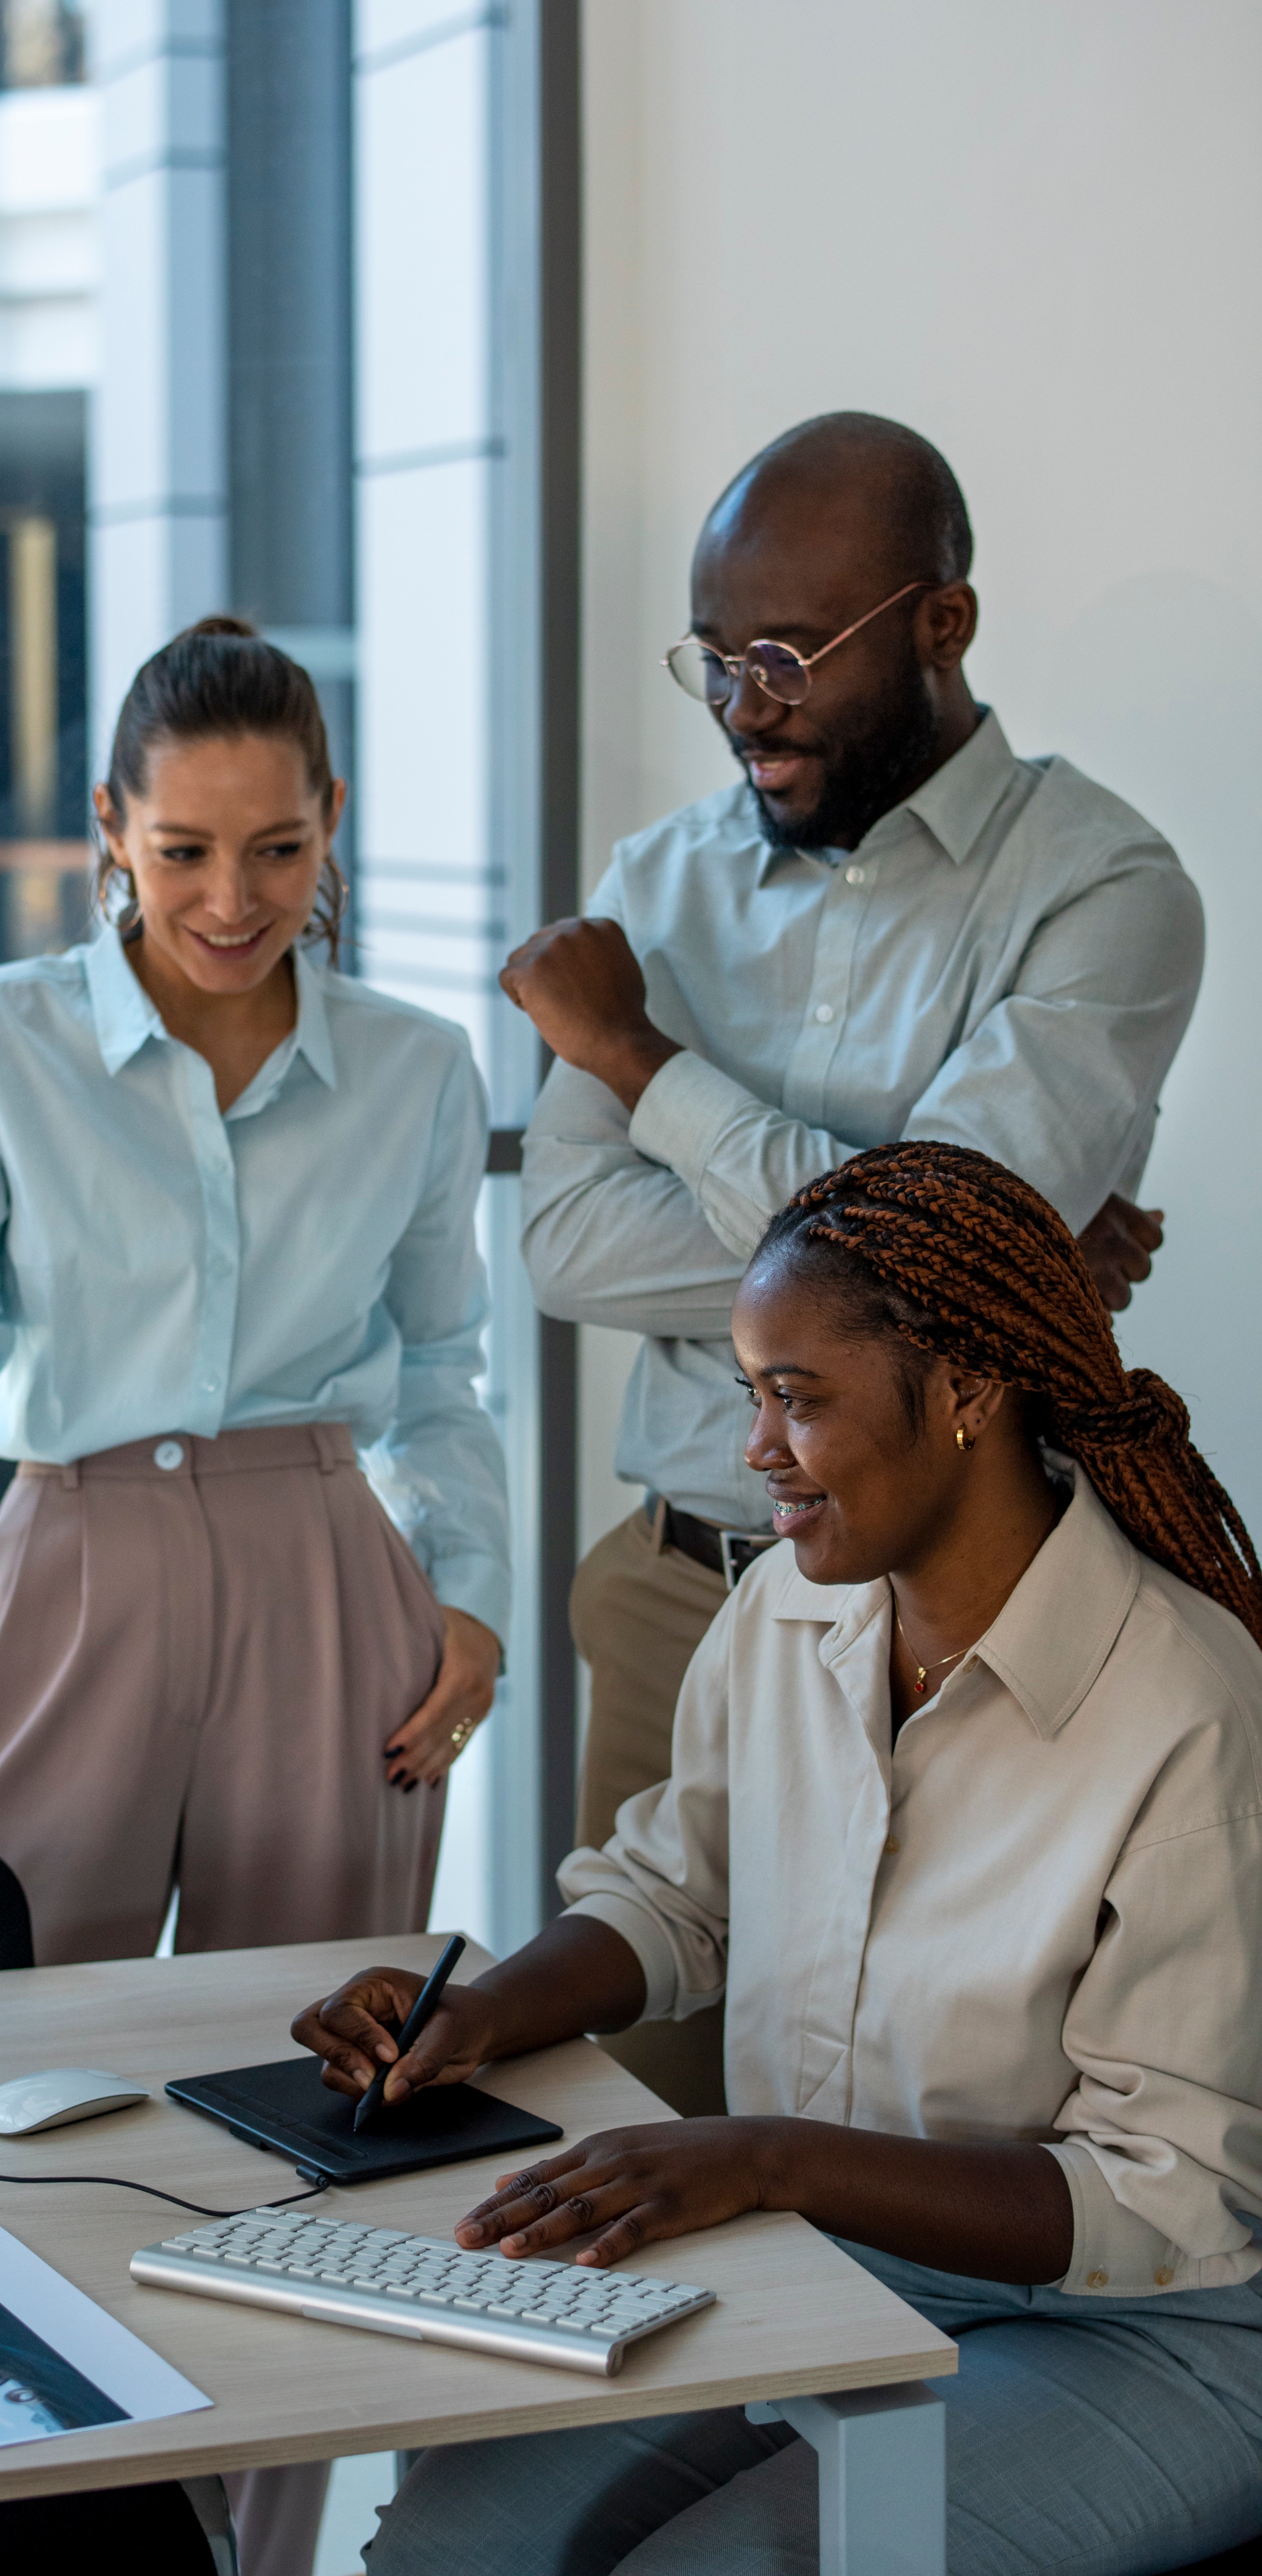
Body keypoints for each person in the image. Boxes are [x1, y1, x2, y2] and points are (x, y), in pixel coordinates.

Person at [0, 617, 510, 2576]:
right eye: (181, 851)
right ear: (107, 835)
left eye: (275, 850)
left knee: (315, 2103)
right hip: (76, 1558)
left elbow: (438, 1379)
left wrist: (470, 1605)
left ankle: (256, 2547)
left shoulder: (418, 1067)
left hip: (335, 1575)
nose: (230, 900)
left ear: (333, 828)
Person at [295, 1139, 1262, 2576]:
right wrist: (484, 2013)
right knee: (451, 2541)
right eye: (753, 1396)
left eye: (797, 1401)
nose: (757, 1450)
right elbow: (673, 1893)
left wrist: (766, 2163)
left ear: (972, 1396)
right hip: (837, 2270)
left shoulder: (1188, 1708)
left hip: (1141, 2329)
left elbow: (1166, 2196)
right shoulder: (784, 1618)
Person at [500, 412, 1205, 2116]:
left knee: (928, 2126)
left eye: (786, 656)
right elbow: (565, 1242)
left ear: (941, 625)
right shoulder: (654, 889)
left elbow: (932, 1244)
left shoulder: (1104, 889)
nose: (745, 703)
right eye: (714, 659)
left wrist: (640, 1068)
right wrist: (928, 1239)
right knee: (629, 2146)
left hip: (967, 1626)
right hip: (679, 1599)